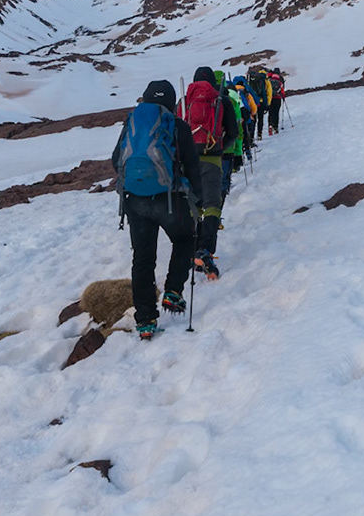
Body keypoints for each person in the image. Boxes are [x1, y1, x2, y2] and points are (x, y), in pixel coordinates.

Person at [112, 80, 201, 339]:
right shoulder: (177, 125)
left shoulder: (132, 123)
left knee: (142, 258)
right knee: (184, 239)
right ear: (172, 103)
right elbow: (193, 167)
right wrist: (200, 200)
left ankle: (145, 321)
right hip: (169, 200)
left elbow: (115, 160)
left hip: (135, 201)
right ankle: (173, 292)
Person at [179, 66, 235, 282]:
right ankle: (205, 250)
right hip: (213, 159)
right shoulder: (221, 101)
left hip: (188, 160)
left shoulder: (184, 102)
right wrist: (219, 149)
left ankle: (191, 249)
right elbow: (233, 133)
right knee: (212, 204)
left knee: (194, 205)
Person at [248, 67, 273, 137]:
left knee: (254, 119)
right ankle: (259, 134)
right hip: (261, 102)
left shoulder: (253, 79)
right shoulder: (265, 80)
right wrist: (268, 103)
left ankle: (251, 136)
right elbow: (269, 92)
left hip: (253, 101)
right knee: (260, 118)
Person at [267, 68, 286, 134]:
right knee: (276, 112)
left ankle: (270, 125)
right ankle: (275, 127)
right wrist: (283, 96)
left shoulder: (269, 80)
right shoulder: (280, 81)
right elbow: (282, 91)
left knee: (270, 112)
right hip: (277, 98)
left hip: (270, 98)